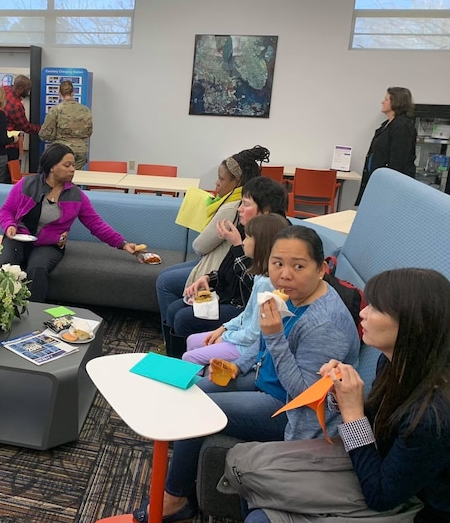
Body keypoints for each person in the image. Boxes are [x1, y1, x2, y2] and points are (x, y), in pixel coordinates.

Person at [133, 225, 360, 523]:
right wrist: (238, 365)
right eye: (277, 264)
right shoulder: (292, 294)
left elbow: (305, 396)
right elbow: (261, 341)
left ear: (320, 270)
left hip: (289, 409)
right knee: (194, 388)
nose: (285, 274)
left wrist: (275, 336)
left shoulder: (325, 323)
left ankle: (175, 499)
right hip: (266, 380)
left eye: (298, 266)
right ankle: (182, 479)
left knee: (196, 409)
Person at [245, 268, 450, 523]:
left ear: (413, 324)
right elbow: (381, 424)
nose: (363, 313)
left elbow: (380, 496)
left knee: (261, 515)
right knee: (257, 483)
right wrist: (338, 394)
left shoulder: (432, 415)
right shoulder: (394, 364)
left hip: (415, 507)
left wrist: (353, 414)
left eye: (376, 308)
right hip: (379, 469)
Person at [162, 176, 287, 358]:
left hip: (239, 306)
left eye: (246, 204)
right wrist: (209, 278)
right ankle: (172, 360)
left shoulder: (274, 239)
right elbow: (227, 269)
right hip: (228, 297)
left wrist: (237, 245)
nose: (239, 209)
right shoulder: (247, 228)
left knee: (183, 318)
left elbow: (252, 286)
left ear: (265, 211)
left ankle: (184, 364)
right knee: (174, 308)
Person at [0, 143, 139, 303]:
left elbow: (96, 224)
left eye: (73, 165)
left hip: (49, 244)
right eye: (67, 165)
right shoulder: (27, 184)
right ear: (51, 166)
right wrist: (9, 225)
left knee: (37, 268)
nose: (73, 169)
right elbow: (6, 210)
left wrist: (122, 244)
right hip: (19, 238)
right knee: (4, 264)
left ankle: (33, 313)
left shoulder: (76, 196)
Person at [155, 146, 270, 329]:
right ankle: (173, 335)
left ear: (237, 181)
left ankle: (172, 335)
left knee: (165, 283)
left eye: (222, 179)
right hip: (222, 268)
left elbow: (200, 246)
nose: (216, 183)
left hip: (224, 272)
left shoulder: (231, 207)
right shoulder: (236, 204)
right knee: (164, 276)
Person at [182, 213, 290, 366]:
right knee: (192, 340)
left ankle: (199, 388)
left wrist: (226, 336)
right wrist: (223, 328)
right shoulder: (260, 276)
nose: (243, 242)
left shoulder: (266, 283)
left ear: (260, 244)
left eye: (247, 238)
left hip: (247, 347)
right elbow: (247, 314)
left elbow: (255, 334)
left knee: (189, 357)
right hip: (241, 337)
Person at [355, 87, 417, 206]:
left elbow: (398, 160)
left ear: (396, 101)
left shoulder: (402, 126)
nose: (382, 102)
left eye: (386, 99)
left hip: (389, 186)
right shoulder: (386, 125)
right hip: (378, 181)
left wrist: (389, 185)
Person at [39, 80, 93, 170]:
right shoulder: (85, 110)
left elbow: (44, 134)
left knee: (61, 178)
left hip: (61, 151)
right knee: (76, 177)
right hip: (81, 151)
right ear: (73, 93)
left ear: (59, 93)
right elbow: (89, 132)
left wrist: (54, 137)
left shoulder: (55, 110)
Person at [3, 74, 42, 174]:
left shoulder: (4, 90)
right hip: (10, 145)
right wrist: (42, 129)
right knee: (10, 175)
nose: (28, 92)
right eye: (27, 89)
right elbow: (26, 127)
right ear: (20, 88)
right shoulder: (16, 106)